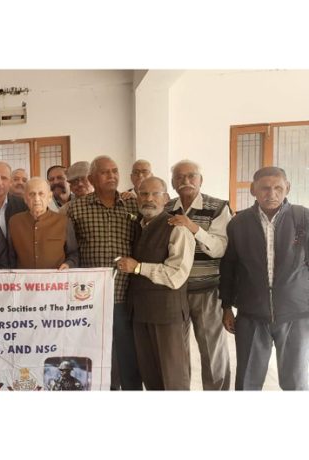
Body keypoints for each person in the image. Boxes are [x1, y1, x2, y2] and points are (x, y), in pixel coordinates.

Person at [220, 166, 309, 390]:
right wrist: (226, 306)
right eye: (265, 188)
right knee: (247, 381)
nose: (272, 194)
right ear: (253, 190)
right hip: (251, 314)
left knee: (295, 382)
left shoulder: (303, 217)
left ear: (287, 188)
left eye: (278, 188)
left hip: (295, 314)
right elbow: (230, 267)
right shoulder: (238, 223)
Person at [67, 155, 142, 390]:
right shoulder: (76, 208)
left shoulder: (133, 204)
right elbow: (69, 249)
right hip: (91, 298)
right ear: (91, 178)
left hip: (125, 293)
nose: (112, 176)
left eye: (115, 171)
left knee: (128, 353)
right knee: (97, 352)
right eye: (105, 172)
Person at [117, 177, 195, 390]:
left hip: (167, 315)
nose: (148, 199)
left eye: (155, 194)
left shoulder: (177, 228)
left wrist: (139, 267)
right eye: (143, 194)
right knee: (150, 377)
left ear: (166, 199)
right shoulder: (138, 226)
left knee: (173, 377)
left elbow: (175, 275)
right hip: (140, 314)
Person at [165, 159, 232, 391]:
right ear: (173, 183)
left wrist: (192, 227)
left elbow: (220, 248)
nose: (186, 181)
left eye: (191, 176)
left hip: (207, 291)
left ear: (200, 180)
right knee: (176, 354)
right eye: (180, 177)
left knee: (212, 352)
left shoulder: (218, 206)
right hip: (174, 292)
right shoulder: (166, 208)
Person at [8, 177, 79, 269]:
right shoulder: (14, 222)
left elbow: (73, 253)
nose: (37, 199)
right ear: (25, 198)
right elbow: (10, 256)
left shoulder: (63, 222)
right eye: (32, 194)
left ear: (49, 197)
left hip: (55, 281)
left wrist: (69, 264)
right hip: (23, 281)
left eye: (41, 194)